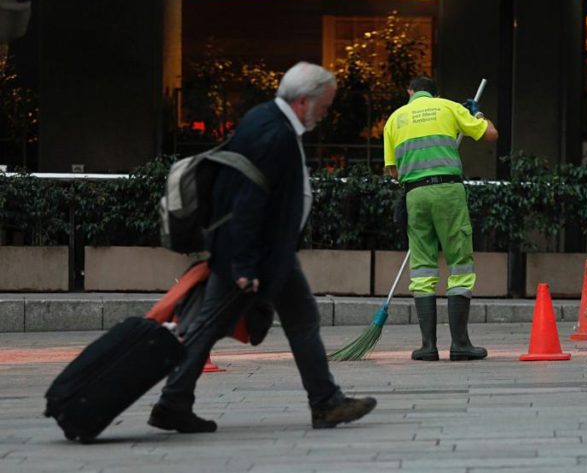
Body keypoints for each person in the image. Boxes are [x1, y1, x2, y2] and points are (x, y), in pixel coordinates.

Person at [148, 62, 376, 433]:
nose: (326, 113)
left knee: (300, 319)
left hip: (270, 250)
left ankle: (325, 402)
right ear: (304, 101)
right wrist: (244, 266)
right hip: (255, 254)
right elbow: (246, 202)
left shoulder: (265, 118)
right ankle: (172, 402)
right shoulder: (275, 135)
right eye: (325, 105)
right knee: (208, 326)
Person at [383, 76, 498, 362]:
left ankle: (427, 347)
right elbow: (491, 135)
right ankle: (460, 344)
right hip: (447, 192)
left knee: (422, 267)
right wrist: (476, 113)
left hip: (415, 196)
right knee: (459, 262)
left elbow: (392, 172)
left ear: (410, 92)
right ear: (435, 93)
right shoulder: (447, 108)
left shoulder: (394, 120)